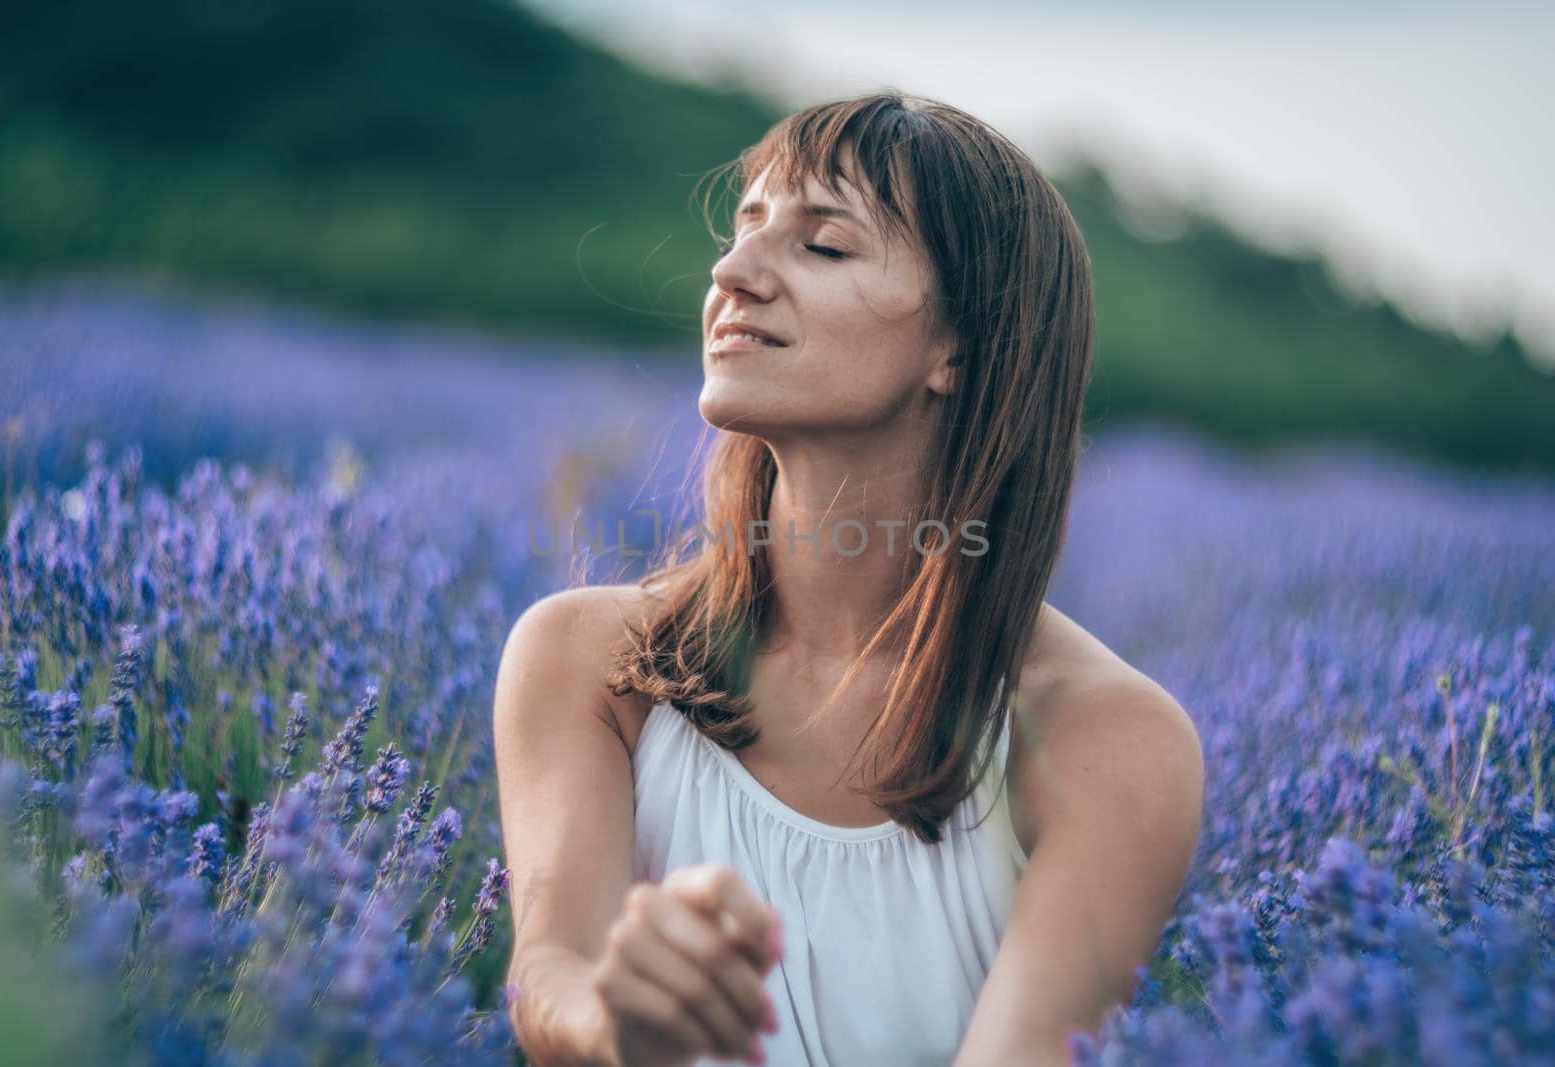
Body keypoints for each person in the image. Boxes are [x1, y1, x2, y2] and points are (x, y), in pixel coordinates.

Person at [495, 91, 1205, 1067]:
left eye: (822, 246)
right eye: (745, 226)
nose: (731, 271)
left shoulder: (1103, 740)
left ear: (957, 345)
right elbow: (550, 971)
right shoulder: (588, 659)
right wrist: (612, 1021)